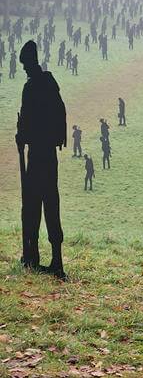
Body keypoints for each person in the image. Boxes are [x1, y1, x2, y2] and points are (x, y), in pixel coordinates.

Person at [16, 41, 67, 279]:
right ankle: (52, 258)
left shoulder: (32, 87)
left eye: (25, 65)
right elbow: (59, 113)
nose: (25, 69)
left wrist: (21, 136)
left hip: (37, 154)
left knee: (34, 203)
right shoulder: (49, 83)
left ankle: (34, 256)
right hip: (47, 153)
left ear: (31, 63)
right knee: (48, 203)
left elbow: (28, 120)